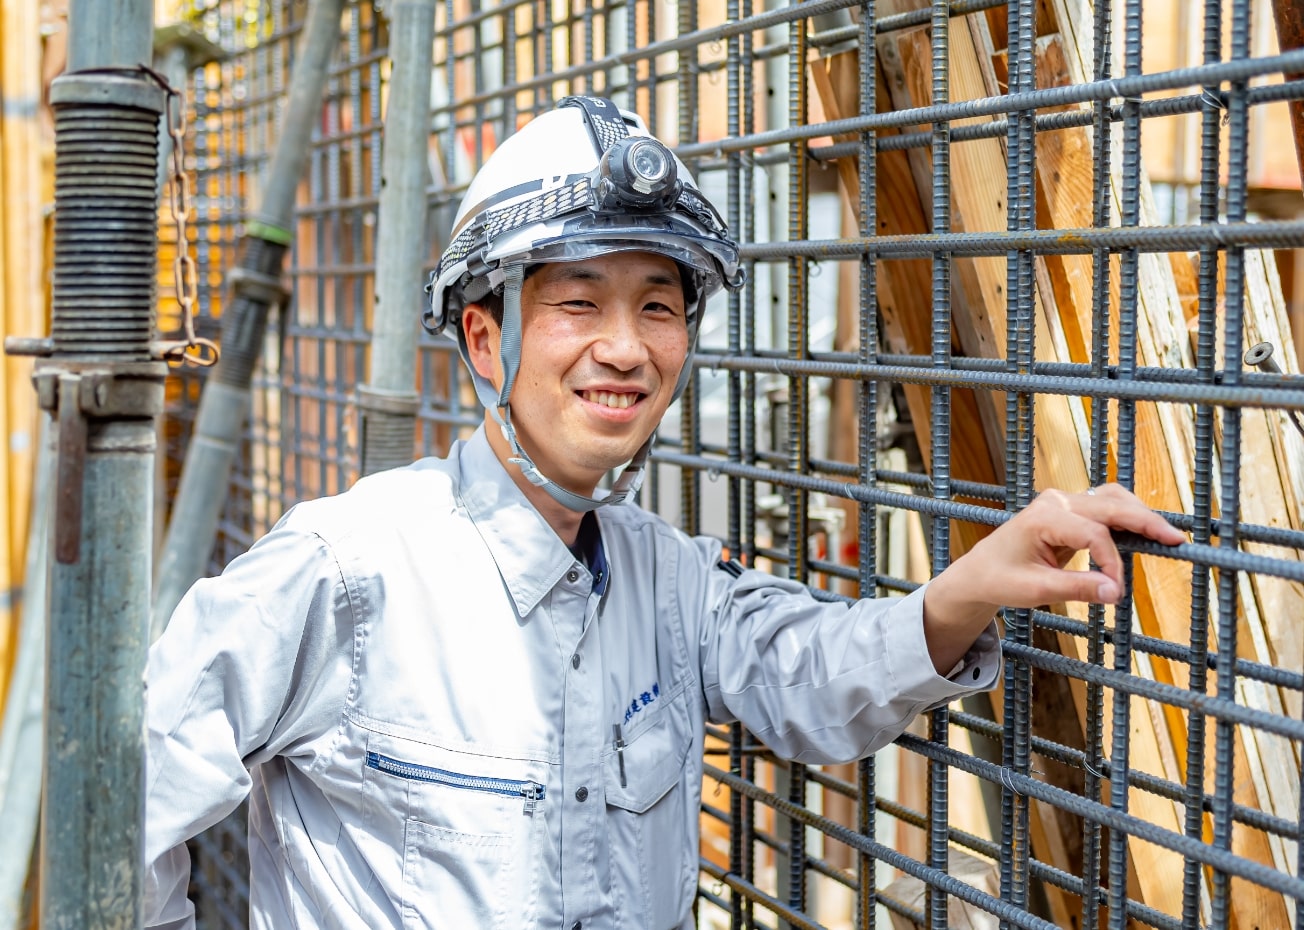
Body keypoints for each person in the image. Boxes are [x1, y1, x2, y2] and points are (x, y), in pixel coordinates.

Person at [143, 96, 1184, 930]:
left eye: (656, 304)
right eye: (577, 302)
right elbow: (130, 799)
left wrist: (963, 589)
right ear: (484, 339)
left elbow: (806, 675)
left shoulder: (662, 576)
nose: (626, 347)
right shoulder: (346, 569)